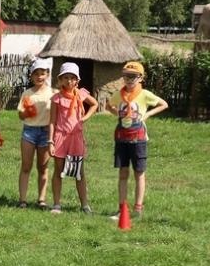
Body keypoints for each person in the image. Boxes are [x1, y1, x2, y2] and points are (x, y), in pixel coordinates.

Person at [109, 60, 169, 216]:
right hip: (122, 139)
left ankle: (138, 208)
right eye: (126, 76)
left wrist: (147, 114)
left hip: (138, 139)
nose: (129, 79)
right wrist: (117, 113)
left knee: (139, 173)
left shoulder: (144, 94)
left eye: (133, 76)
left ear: (141, 78)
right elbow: (109, 105)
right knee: (123, 173)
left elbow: (163, 104)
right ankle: (122, 208)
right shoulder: (119, 94)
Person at [49, 62, 98, 214]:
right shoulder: (56, 98)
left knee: (79, 172)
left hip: (76, 138)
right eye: (66, 77)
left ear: (77, 80)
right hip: (60, 137)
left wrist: (84, 118)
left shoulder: (81, 94)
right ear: (60, 79)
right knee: (58, 171)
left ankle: (84, 205)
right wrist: (50, 141)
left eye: (72, 78)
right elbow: (52, 121)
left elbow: (94, 104)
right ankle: (57, 204)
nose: (69, 81)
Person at [15, 59, 53, 207]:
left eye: (42, 73)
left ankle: (41, 200)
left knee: (43, 167)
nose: (39, 77)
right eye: (36, 74)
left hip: (45, 132)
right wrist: (27, 113)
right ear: (31, 76)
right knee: (26, 166)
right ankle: (22, 200)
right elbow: (20, 115)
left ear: (47, 75)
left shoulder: (53, 93)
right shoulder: (27, 94)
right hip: (29, 131)